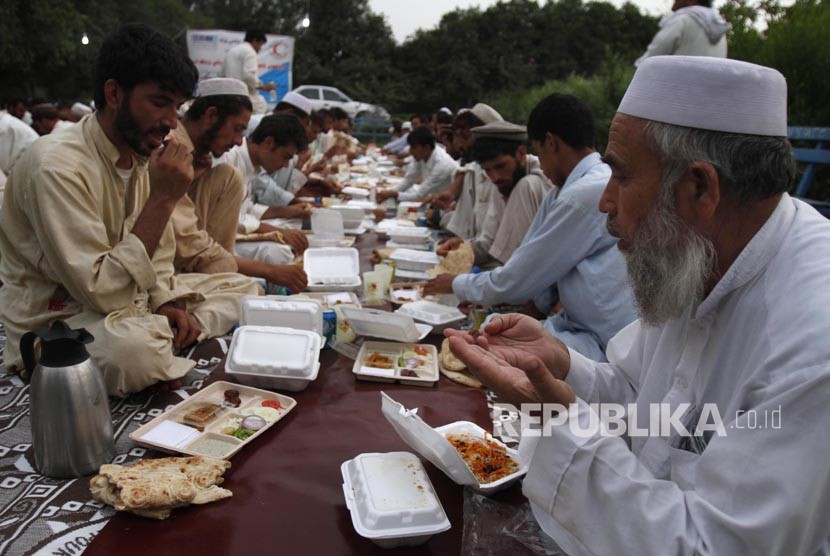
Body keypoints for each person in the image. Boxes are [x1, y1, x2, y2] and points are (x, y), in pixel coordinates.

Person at [447, 56, 830, 555]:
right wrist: (561, 365)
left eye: (621, 177)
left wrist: (563, 420)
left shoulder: (811, 340)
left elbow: (711, 547)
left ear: (700, 188)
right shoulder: (703, 250)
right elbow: (643, 399)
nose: (605, 202)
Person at [0, 24, 260, 397]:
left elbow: (160, 257)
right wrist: (164, 199)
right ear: (114, 93)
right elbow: (100, 290)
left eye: (178, 106)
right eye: (160, 102)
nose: (172, 121)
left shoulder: (142, 153)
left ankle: (163, 333)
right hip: (60, 316)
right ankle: (159, 343)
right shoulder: (56, 165)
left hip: (129, 301)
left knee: (245, 289)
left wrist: (165, 300)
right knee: (133, 354)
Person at [426, 93, 636, 361]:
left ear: (550, 143)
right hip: (572, 326)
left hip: (602, 343)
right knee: (486, 336)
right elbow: (532, 266)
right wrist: (529, 308)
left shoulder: (584, 192)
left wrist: (456, 283)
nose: (540, 162)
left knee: (477, 350)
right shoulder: (565, 189)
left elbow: (519, 277)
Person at [169, 78, 308, 293]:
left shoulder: (204, 158)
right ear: (211, 116)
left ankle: (220, 279)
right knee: (261, 279)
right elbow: (189, 240)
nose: (238, 140)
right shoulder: (172, 151)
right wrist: (268, 270)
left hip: (203, 254)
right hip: (176, 265)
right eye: (236, 129)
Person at [436, 121, 554, 266]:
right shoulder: (502, 184)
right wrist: (463, 249)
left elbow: (522, 263)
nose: (496, 176)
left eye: (501, 166)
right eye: (488, 170)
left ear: (521, 154)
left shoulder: (538, 181)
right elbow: (490, 243)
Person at [217, 113, 315, 268]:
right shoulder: (229, 159)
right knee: (279, 252)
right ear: (269, 142)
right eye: (285, 157)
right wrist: (277, 232)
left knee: (293, 224)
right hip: (219, 241)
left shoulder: (251, 165)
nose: (284, 165)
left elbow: (247, 208)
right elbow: (228, 218)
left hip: (239, 231)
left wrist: (287, 212)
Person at [376, 126, 459, 203]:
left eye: (414, 147)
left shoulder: (442, 164)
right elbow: (409, 180)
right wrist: (388, 192)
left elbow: (419, 195)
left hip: (450, 204)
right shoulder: (421, 156)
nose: (411, 152)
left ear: (426, 147)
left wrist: (393, 194)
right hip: (433, 199)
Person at [636, 0, 728, 66]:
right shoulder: (721, 30)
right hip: (707, 91)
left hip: (674, 90)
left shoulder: (682, 20)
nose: (673, 7)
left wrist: (639, 66)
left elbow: (650, 59)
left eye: (676, 0)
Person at [221, 29, 275, 115]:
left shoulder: (231, 51)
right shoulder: (250, 52)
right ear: (254, 41)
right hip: (245, 98)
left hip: (228, 97)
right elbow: (248, 76)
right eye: (260, 44)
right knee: (261, 106)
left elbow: (222, 74)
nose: (260, 49)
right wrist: (263, 87)